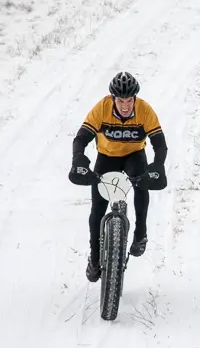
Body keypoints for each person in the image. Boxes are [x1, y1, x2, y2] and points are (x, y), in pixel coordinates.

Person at [69, 71, 167, 283]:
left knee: (142, 183)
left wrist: (157, 165)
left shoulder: (144, 110)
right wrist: (78, 159)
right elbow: (81, 138)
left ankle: (140, 232)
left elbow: (159, 143)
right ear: (113, 98)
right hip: (107, 157)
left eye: (129, 100)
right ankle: (94, 258)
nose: (125, 105)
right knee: (98, 207)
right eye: (121, 100)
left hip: (134, 156)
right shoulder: (102, 108)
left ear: (135, 99)